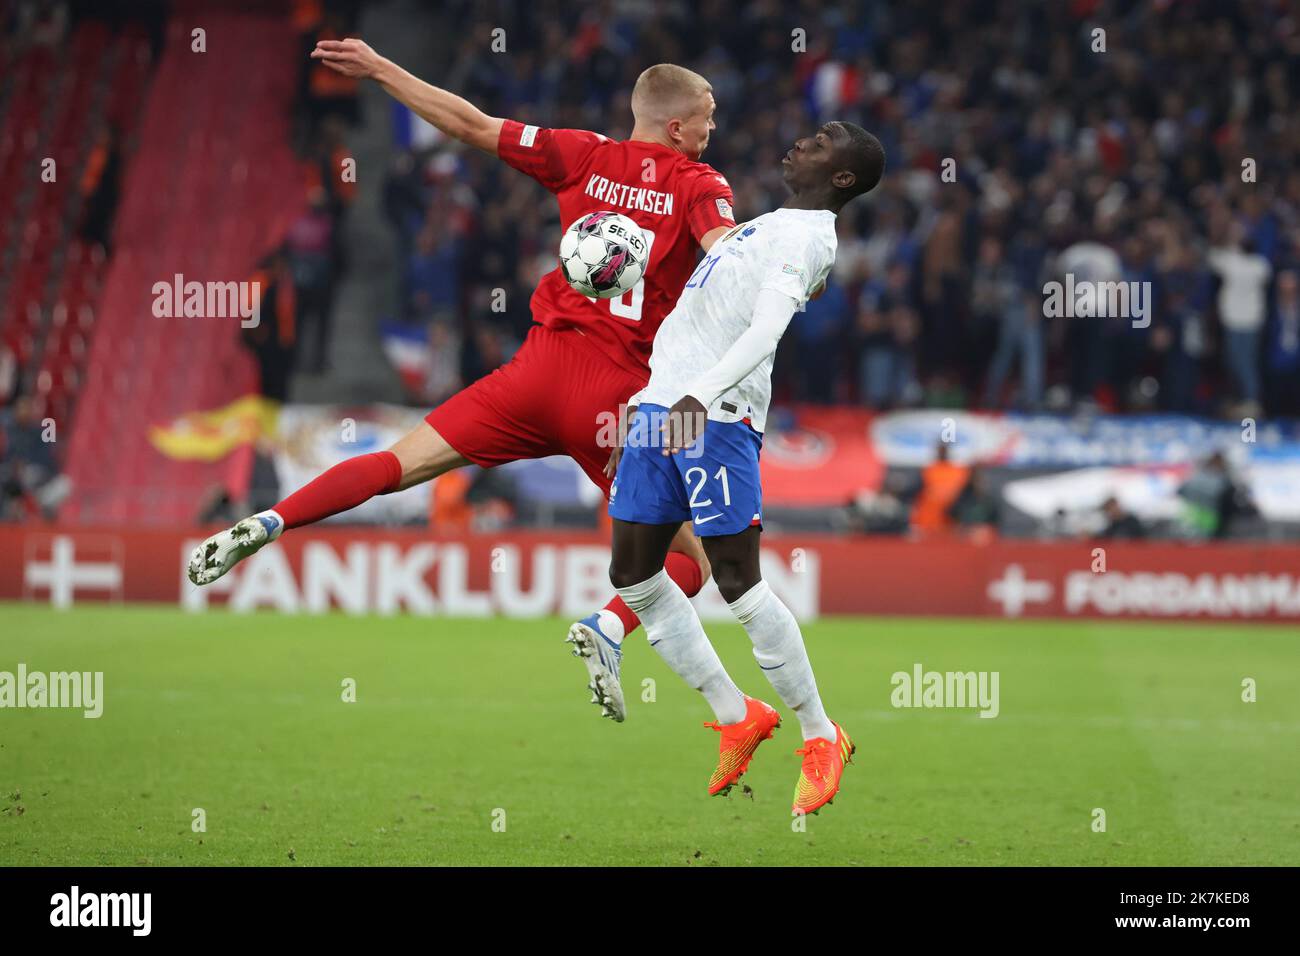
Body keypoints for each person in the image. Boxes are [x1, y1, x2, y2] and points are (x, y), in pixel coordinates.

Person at [187, 40, 739, 726]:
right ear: (679, 128)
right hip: (614, 401)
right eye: (709, 118)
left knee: (398, 462)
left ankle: (271, 519)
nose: (714, 130)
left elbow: (469, 124)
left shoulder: (582, 153)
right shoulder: (702, 184)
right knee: (690, 558)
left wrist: (383, 68)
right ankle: (606, 626)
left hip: (536, 369)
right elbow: (726, 257)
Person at [604, 122, 884, 815]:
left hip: (716, 416)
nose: (800, 143)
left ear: (841, 177)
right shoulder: (769, 225)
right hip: (660, 406)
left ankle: (821, 735)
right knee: (633, 574)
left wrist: (700, 396)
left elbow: (766, 330)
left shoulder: (810, 236)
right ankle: (738, 716)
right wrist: (653, 399)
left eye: (820, 143)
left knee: (735, 579)